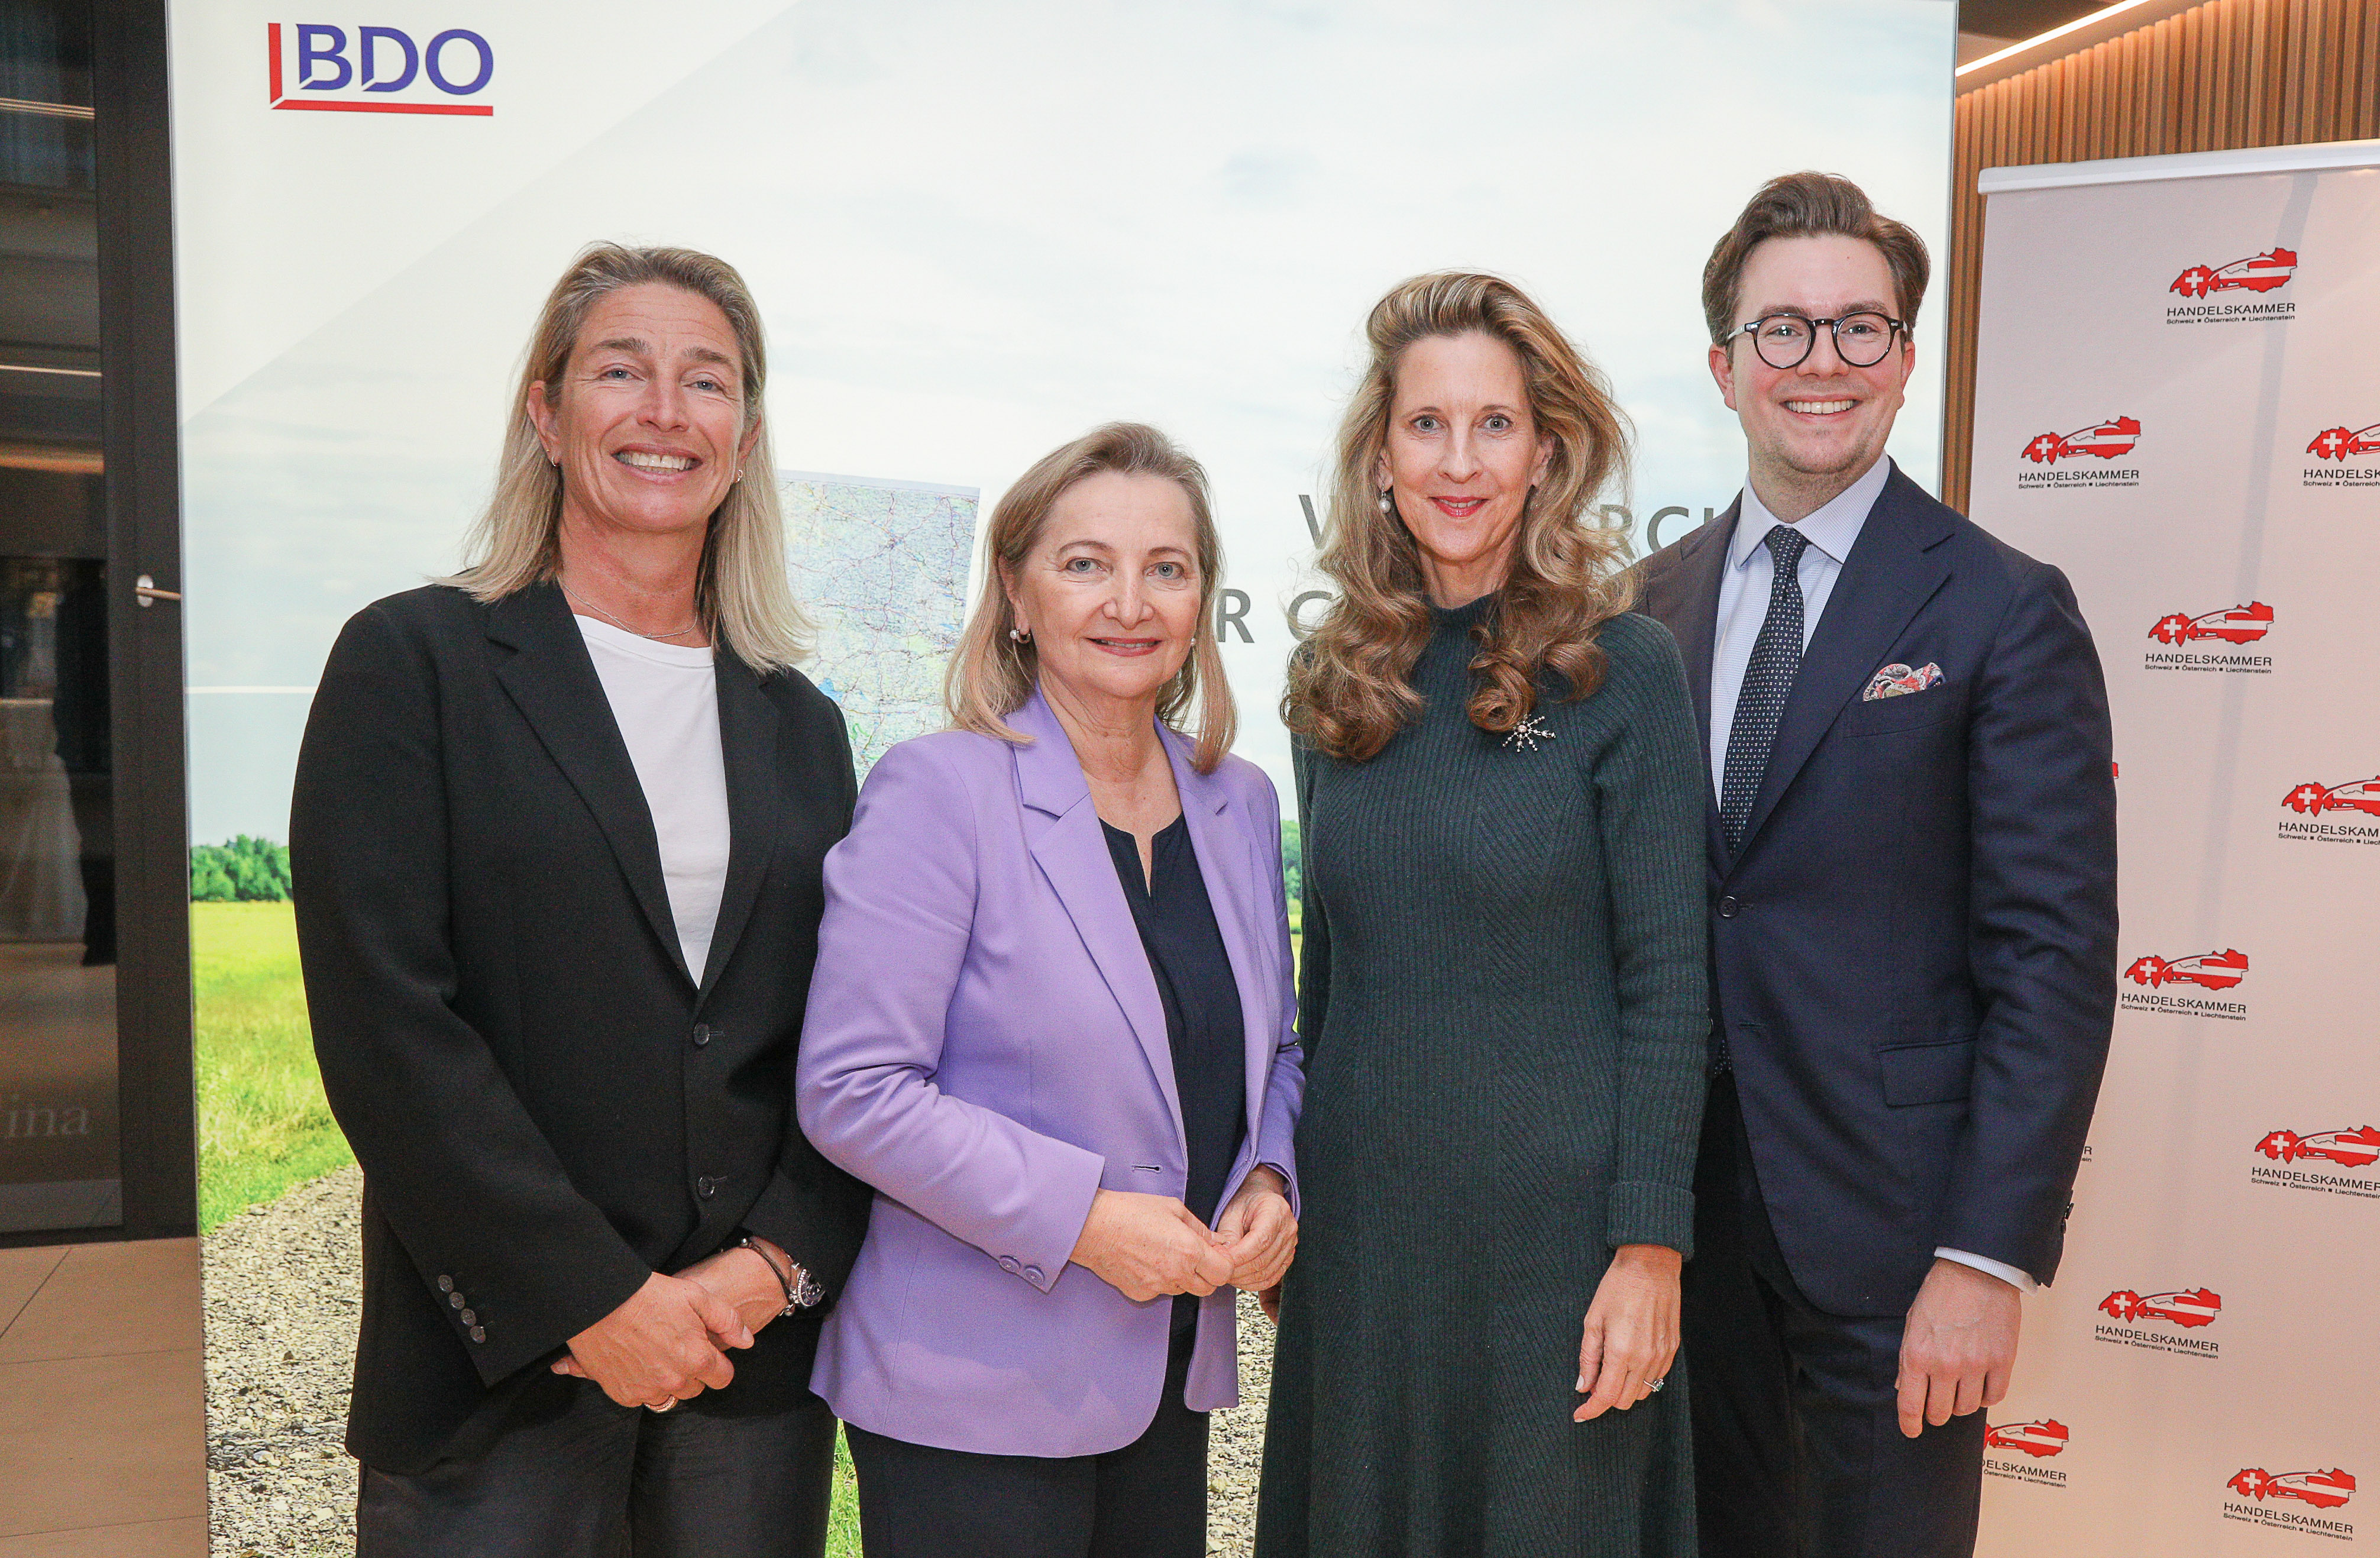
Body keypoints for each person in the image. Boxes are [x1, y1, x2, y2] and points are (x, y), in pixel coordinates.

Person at [290, 243, 870, 1556]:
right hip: (505, 1371)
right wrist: (593, 1298)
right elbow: (387, 1024)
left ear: (744, 438)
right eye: (622, 370)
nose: (665, 410)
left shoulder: (802, 725)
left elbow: (843, 1032)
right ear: (547, 414)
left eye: (705, 381)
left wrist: (773, 1264)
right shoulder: (412, 662)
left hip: (746, 1367)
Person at [1635, 172, 2118, 1558]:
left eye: (1859, 327)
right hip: (1676, 1244)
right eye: (1780, 329)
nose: (1821, 361)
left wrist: (1982, 1256)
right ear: (1722, 367)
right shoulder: (1643, 611)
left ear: (1905, 360)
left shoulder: (2001, 607)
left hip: (1900, 1249)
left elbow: (2050, 960)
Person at [1257, 272, 1709, 1557]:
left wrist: (1650, 1248)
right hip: (1365, 1247)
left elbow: (1670, 983)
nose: (1459, 462)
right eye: (1427, 424)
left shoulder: (1621, 667)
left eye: (1494, 424)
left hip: (1558, 1262)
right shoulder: (1330, 679)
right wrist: (1298, 1205)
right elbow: (1329, 982)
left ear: (1546, 451)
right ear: (1380, 456)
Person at [797, 422, 1304, 1558]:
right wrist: (1085, 1221)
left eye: (1166, 568)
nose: (1130, 601)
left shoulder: (1240, 802)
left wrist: (1272, 1173)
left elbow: (1276, 1048)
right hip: (968, 1396)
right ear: (1017, 594)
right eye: (1085, 564)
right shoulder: (939, 790)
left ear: (1201, 601)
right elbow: (854, 1088)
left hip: (1167, 1379)